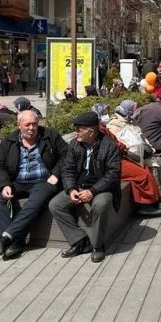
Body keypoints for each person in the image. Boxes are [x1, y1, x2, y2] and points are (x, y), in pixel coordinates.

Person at [0, 109, 69, 259]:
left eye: (34, 124)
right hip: (18, 181)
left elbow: (66, 154)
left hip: (43, 181)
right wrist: (5, 184)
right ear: (18, 124)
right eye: (27, 125)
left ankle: (7, 237)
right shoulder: (9, 141)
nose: (31, 128)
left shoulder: (50, 135)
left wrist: (56, 174)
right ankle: (15, 241)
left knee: (35, 201)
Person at [48, 111, 122, 263]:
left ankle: (97, 245)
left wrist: (93, 191)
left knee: (100, 205)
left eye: (79, 129)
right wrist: (70, 189)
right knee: (55, 205)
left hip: (101, 189)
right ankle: (80, 241)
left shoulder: (109, 146)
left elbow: (113, 175)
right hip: (79, 186)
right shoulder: (75, 144)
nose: (76, 133)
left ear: (91, 131)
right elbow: (67, 168)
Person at [106, 100, 161, 214]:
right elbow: (118, 144)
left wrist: (150, 148)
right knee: (145, 173)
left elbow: (141, 136)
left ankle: (157, 197)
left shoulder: (131, 121)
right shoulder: (113, 125)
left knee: (152, 165)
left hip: (135, 154)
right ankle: (147, 204)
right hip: (123, 157)